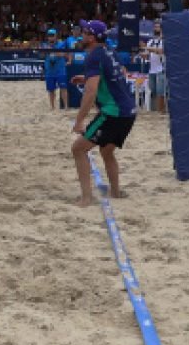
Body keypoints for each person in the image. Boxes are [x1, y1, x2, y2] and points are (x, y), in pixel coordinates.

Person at [69, 20, 135, 206]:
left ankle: (86, 198)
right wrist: (87, 78)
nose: (80, 34)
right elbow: (119, 73)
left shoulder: (94, 56)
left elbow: (91, 92)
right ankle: (115, 192)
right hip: (129, 112)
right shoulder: (109, 51)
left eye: (83, 32)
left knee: (78, 149)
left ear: (91, 37)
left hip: (113, 113)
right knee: (107, 151)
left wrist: (79, 120)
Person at [44, 28, 70, 110]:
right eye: (49, 36)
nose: (51, 37)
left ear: (56, 36)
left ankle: (66, 106)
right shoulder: (44, 45)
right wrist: (45, 51)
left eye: (52, 36)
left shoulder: (61, 44)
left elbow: (65, 54)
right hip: (49, 70)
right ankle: (52, 107)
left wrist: (56, 52)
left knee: (63, 88)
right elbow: (41, 56)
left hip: (60, 69)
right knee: (51, 90)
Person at [144, 22, 167, 114]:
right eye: (155, 27)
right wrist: (142, 54)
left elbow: (161, 51)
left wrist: (149, 49)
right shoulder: (150, 42)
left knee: (160, 91)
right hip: (152, 69)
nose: (156, 28)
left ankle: (161, 110)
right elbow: (147, 55)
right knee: (153, 89)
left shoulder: (164, 41)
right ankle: (157, 108)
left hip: (161, 68)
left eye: (158, 27)